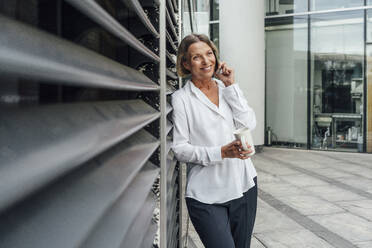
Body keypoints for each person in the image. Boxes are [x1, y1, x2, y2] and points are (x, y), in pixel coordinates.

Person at [171, 33, 258, 248]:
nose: (206, 61)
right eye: (196, 57)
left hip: (244, 185)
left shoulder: (226, 88)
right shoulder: (181, 99)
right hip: (206, 195)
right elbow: (180, 149)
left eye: (209, 54)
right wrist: (220, 152)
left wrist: (231, 85)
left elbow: (249, 122)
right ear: (186, 64)